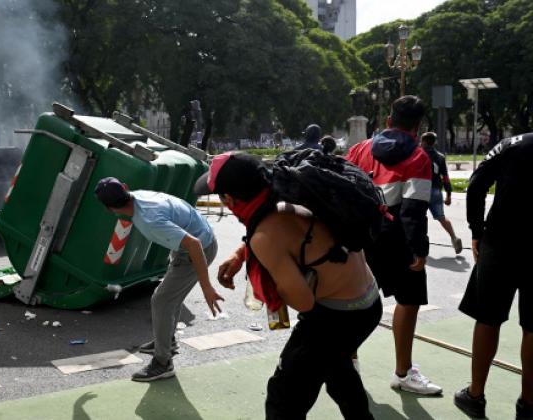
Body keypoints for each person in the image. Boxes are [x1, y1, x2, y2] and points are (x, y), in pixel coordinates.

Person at [194, 152, 381, 419]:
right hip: (367, 302)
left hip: (336, 318)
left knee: (283, 399)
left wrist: (268, 285)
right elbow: (286, 234)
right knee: (337, 369)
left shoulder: (265, 237)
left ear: (231, 200)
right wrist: (241, 254)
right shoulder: (291, 192)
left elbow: (302, 301)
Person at [346, 95, 442, 395]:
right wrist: (419, 249)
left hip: (360, 235)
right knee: (409, 300)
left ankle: (348, 361)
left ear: (388, 121)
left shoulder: (359, 149)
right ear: (419, 126)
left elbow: (344, 189)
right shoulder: (418, 157)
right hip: (396, 236)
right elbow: (413, 209)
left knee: (352, 300)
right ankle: (403, 373)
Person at [94, 177, 221, 382]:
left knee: (161, 300)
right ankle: (167, 340)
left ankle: (163, 363)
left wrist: (207, 287)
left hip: (198, 250)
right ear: (126, 188)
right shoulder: (140, 195)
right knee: (171, 298)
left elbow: (194, 245)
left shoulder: (149, 220)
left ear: (110, 209)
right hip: (196, 239)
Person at [454, 133, 533, 419]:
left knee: (488, 317)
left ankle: (475, 395)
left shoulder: (513, 144)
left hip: (501, 241)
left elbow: (476, 184)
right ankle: (528, 403)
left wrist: (476, 230)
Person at [420, 132, 463, 254]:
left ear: (424, 142)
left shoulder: (419, 154)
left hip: (421, 190)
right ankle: (454, 237)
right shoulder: (440, 157)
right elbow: (445, 177)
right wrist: (449, 194)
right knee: (442, 217)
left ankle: (420, 244)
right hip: (436, 191)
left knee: (418, 218)